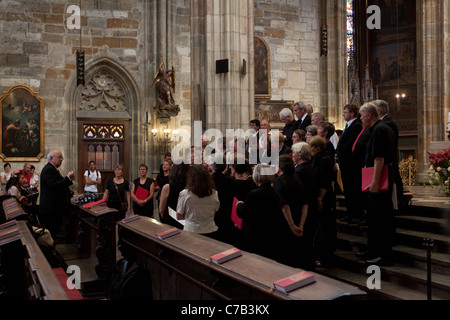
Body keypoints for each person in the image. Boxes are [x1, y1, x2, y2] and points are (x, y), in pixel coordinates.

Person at [356, 102, 396, 266]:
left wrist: (374, 182)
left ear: (369, 115)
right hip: (376, 178)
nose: (360, 118)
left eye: (361, 115)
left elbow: (379, 158)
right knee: (373, 218)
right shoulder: (377, 128)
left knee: (380, 219)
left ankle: (383, 254)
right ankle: (373, 250)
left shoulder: (380, 129)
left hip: (378, 181)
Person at [236, 164, 291, 264]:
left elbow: (243, 212)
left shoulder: (255, 194)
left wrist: (239, 205)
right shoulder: (274, 192)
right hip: (270, 234)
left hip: (256, 235)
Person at [273, 155, 309, 268]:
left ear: (280, 167)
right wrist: (301, 225)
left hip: (285, 223)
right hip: (298, 220)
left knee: (284, 258)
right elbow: (305, 204)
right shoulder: (297, 179)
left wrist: (292, 226)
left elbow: (284, 206)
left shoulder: (279, 181)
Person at [309, 136, 335, 267]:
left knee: (325, 227)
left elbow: (325, 181)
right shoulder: (316, 158)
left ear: (318, 147)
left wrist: (319, 198)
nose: (310, 149)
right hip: (318, 195)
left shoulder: (325, 159)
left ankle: (326, 257)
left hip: (324, 196)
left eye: (311, 147)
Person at [336, 104, 364, 224]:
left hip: (351, 164)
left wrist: (340, 154)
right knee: (348, 190)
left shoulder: (356, 125)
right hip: (345, 162)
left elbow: (351, 144)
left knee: (353, 190)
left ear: (352, 113)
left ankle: (357, 214)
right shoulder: (349, 125)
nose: (343, 114)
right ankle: (350, 213)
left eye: (345, 112)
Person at [38, 150, 75, 239]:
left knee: (53, 232)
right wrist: (68, 178)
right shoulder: (49, 169)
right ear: (51, 158)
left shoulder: (52, 169)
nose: (61, 159)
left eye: (62, 157)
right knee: (51, 232)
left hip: (54, 208)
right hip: (51, 209)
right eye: (60, 157)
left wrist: (68, 180)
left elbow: (59, 184)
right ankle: (50, 251)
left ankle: (52, 250)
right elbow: (54, 185)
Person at [292, 142, 317, 270]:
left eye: (294, 153)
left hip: (303, 209)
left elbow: (298, 192)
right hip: (310, 206)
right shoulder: (308, 168)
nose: (292, 155)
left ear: (300, 155)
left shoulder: (300, 171)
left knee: (304, 240)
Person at [176, 165, 220, 238]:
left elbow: (179, 216)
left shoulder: (185, 194)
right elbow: (214, 212)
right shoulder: (214, 193)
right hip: (210, 230)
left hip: (191, 231)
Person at [211, 159, 241, 246]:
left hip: (214, 213)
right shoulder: (230, 180)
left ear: (212, 167)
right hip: (227, 213)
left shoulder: (209, 181)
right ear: (226, 167)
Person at [158, 163, 189, 229]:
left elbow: (161, 209)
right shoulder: (190, 186)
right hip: (185, 219)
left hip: (170, 219)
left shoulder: (167, 187)